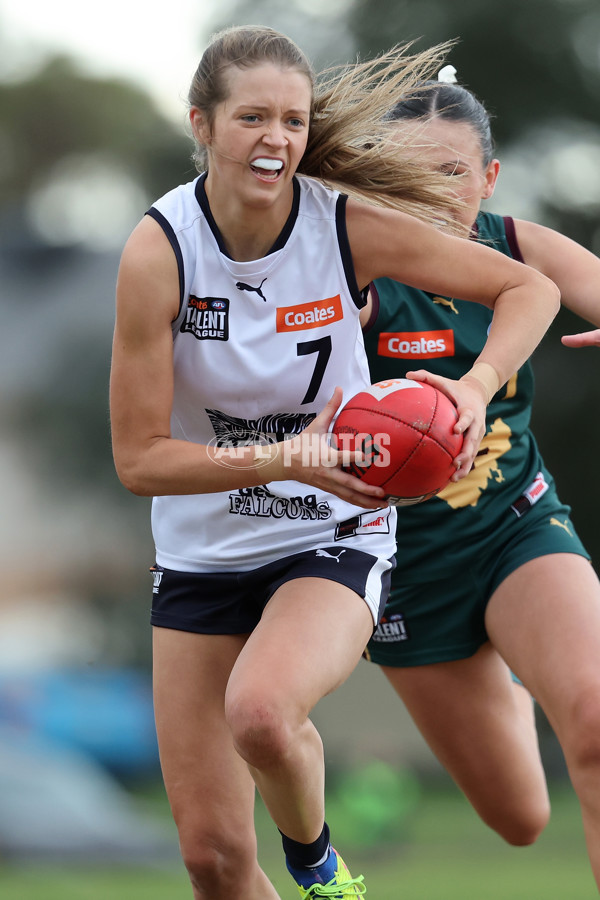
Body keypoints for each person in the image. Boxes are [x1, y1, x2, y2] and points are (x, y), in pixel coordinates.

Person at [109, 26, 559, 899]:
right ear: (201, 122)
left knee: (263, 713)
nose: (275, 138)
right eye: (251, 117)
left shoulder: (344, 225)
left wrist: (474, 388)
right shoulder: (159, 252)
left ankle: (321, 870)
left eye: (292, 119)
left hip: (334, 529)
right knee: (211, 861)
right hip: (202, 553)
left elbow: (529, 286)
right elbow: (140, 461)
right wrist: (290, 455)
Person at [361, 72, 600, 889]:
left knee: (598, 727)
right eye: (407, 178)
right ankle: (502, 673)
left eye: (454, 174)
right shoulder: (348, 276)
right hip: (403, 566)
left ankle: (535, 640)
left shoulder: (520, 246)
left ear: (489, 178)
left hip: (516, 525)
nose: (433, 198)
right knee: (520, 819)